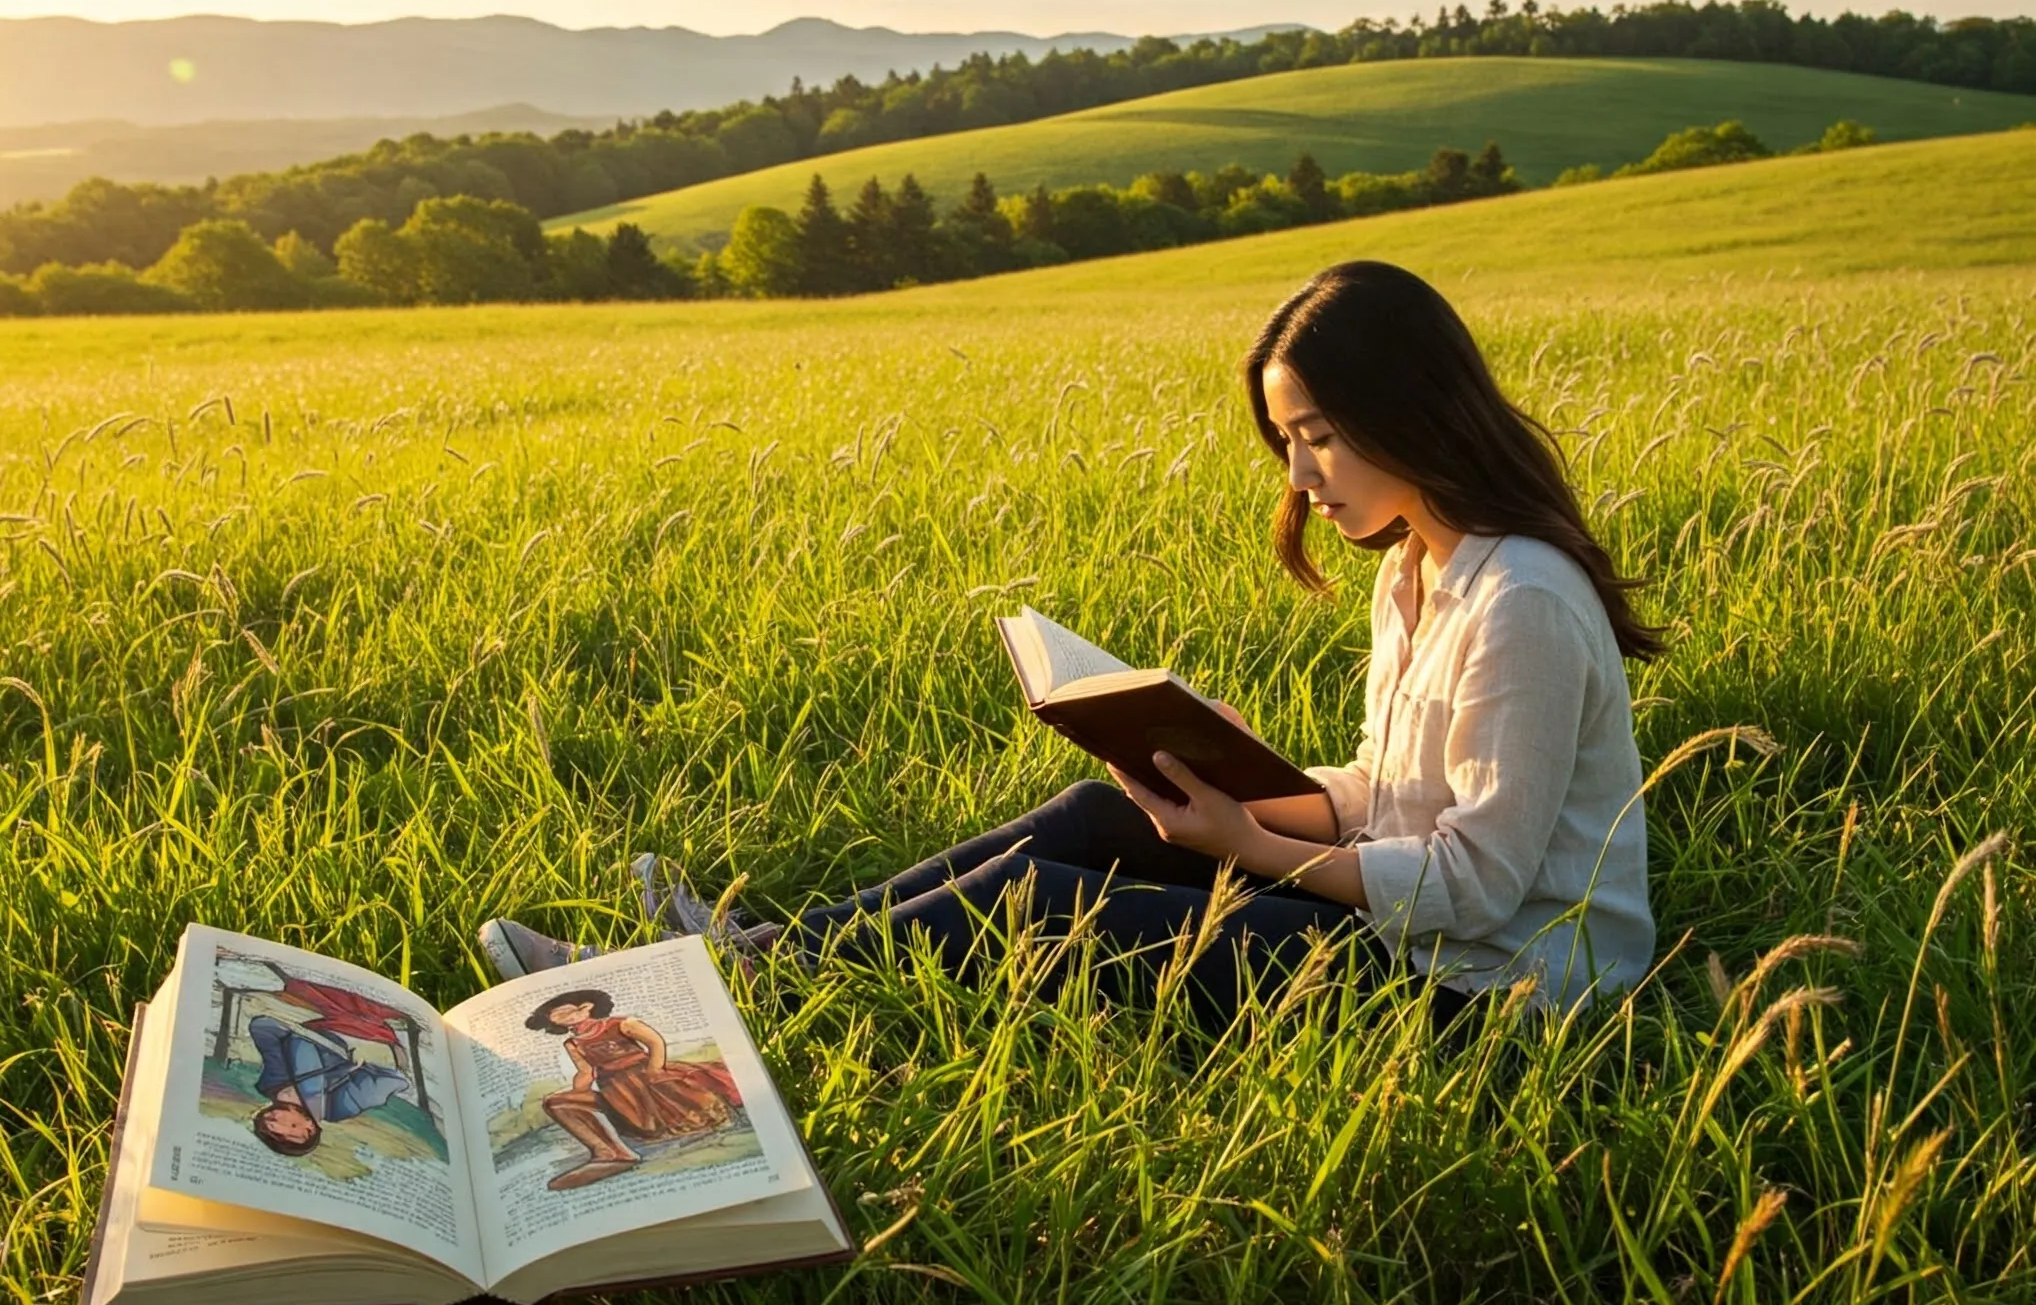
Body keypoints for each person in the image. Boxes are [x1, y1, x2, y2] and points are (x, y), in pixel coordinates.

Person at [482, 260, 1663, 1029]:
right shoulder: (1413, 569)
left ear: (1407, 408)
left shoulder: (1521, 603)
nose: (1299, 476)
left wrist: (1248, 840)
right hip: (1412, 930)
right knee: (1097, 818)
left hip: (1493, 994)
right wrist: (1249, 785)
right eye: (1284, 440)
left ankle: (682, 998)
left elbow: (1473, 881)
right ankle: (738, 955)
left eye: (1317, 435)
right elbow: (1390, 798)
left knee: (1041, 908)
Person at [523, 989, 744, 1190]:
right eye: (556, 1016)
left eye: (567, 1012)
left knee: (683, 1114)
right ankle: (610, 1154)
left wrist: (655, 1070)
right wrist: (578, 1093)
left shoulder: (621, 1024)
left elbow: (655, 1042)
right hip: (614, 1089)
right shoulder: (573, 1044)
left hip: (646, 1075)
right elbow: (585, 1072)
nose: (563, 1018)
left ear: (587, 1007)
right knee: (555, 1101)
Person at [246, 966, 416, 1156]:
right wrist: (358, 1058)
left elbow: (264, 1031)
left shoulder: (270, 1084)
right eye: (278, 1128)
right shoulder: (338, 1107)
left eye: (268, 1125)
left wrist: (292, 1034)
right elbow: (390, 1081)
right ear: (307, 1129)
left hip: (319, 1026)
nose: (270, 1121)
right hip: (361, 1039)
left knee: (297, 990)